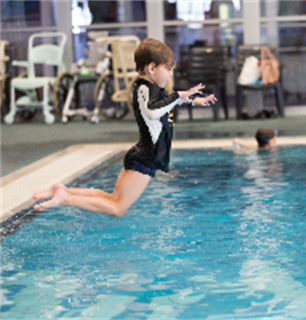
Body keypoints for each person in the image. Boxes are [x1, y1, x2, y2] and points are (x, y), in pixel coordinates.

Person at [32, 38, 217, 217]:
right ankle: (66, 199)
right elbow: (153, 112)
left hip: (143, 152)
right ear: (151, 68)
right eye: (168, 69)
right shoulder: (146, 88)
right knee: (117, 208)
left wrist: (192, 100)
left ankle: (62, 190)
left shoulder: (148, 87)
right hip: (147, 157)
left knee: (113, 199)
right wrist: (178, 95)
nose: (170, 75)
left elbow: (163, 104)